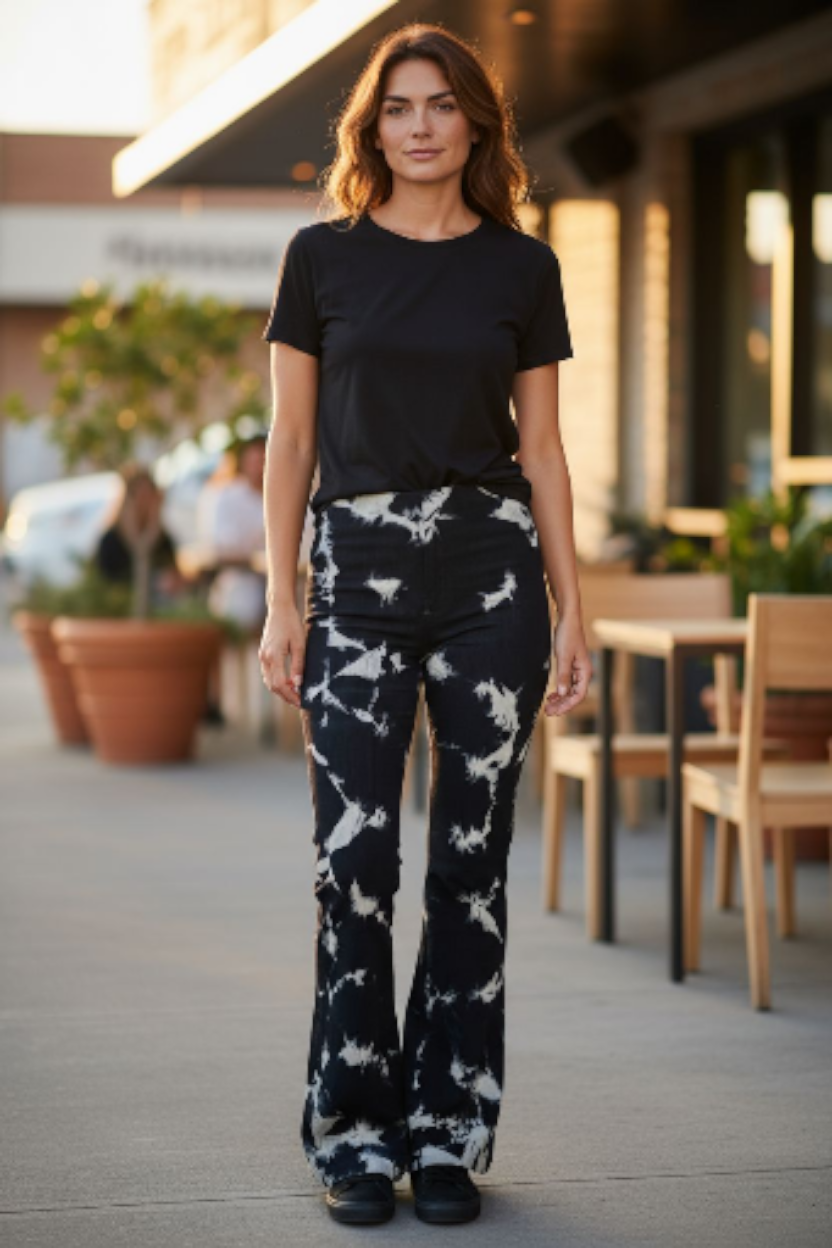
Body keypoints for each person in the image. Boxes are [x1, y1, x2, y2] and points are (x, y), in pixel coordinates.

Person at [258, 23, 592, 1228]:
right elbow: (292, 441)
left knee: (470, 867)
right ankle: (353, 1132)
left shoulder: (521, 268)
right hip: (355, 575)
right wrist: (281, 597)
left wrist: (573, 607)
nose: (419, 126)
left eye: (442, 105)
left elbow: (542, 450)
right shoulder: (321, 259)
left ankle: (448, 1133)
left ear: (476, 125)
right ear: (372, 128)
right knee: (353, 866)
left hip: (490, 578)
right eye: (398, 106)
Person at [204, 434, 269, 631]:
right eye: (255, 461)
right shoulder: (227, 497)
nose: (260, 468)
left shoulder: (290, 496)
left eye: (264, 461)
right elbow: (223, 549)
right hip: (242, 582)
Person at [95, 464, 183, 607]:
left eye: (149, 494)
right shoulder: (111, 541)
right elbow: (107, 586)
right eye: (139, 495)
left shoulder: (162, 538)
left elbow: (175, 575)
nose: (144, 502)